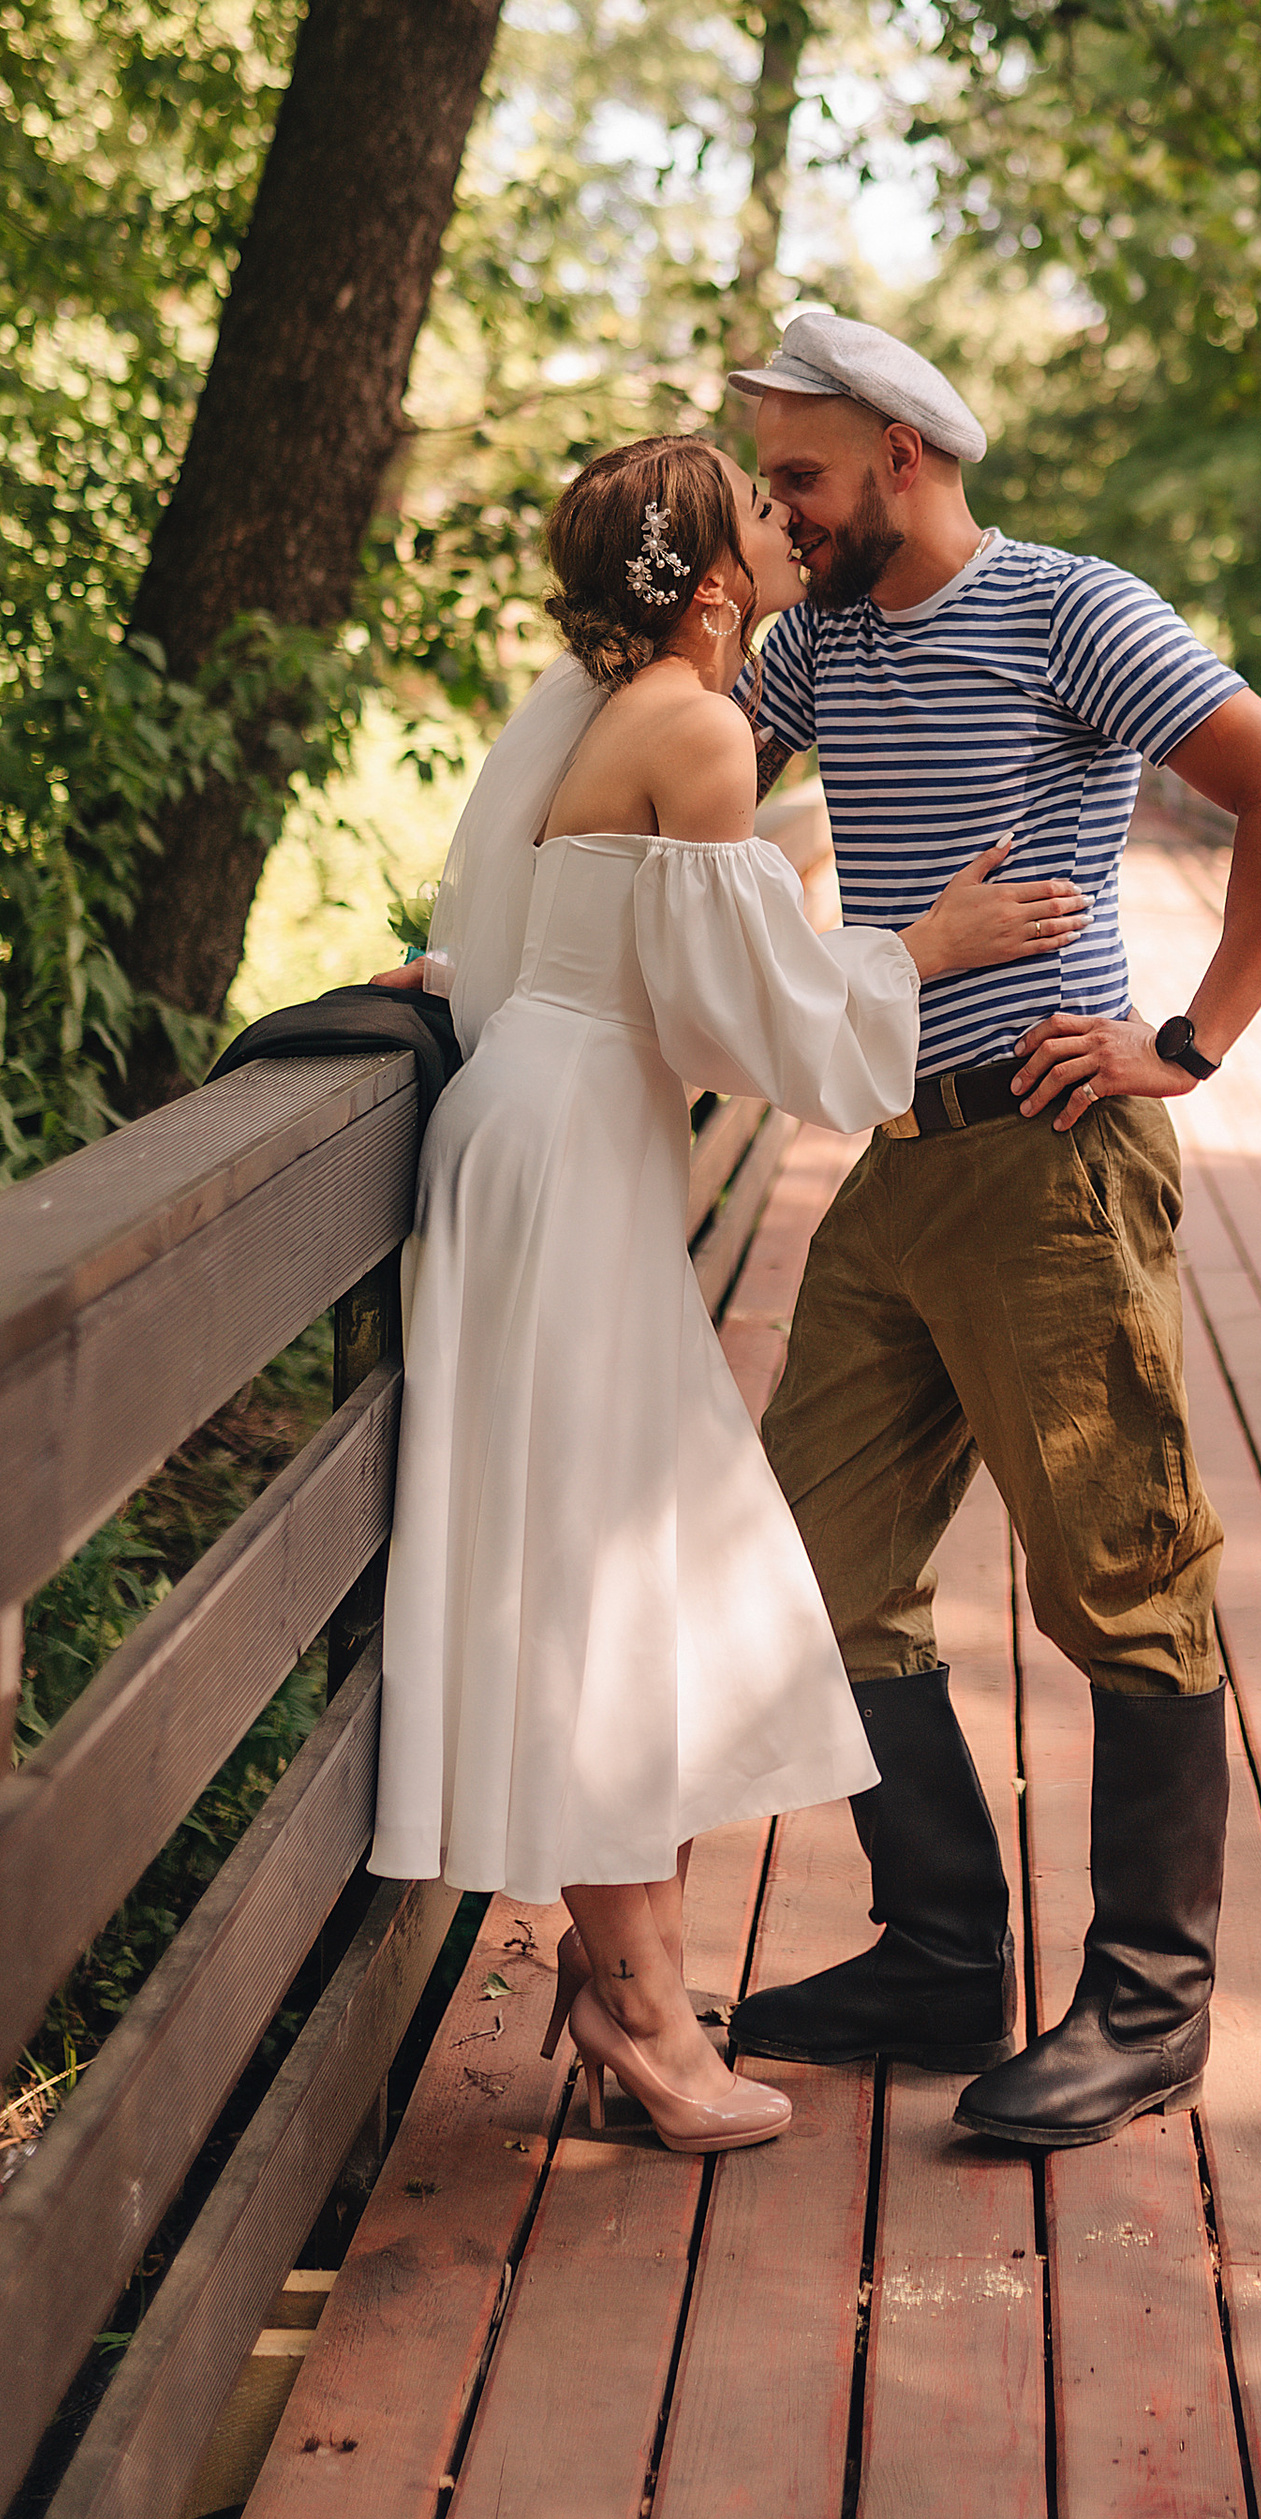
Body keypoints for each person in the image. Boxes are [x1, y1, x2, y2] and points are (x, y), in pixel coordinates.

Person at [366, 436, 1086, 2153]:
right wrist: (930, 947)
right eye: (764, 513)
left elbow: (652, 951)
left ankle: (639, 1988)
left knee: (657, 1566)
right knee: (626, 1575)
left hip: (561, 1135)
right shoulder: (691, 728)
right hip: (569, 1150)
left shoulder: (628, 716)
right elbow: (740, 1010)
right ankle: (641, 2012)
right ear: (707, 583)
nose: (788, 528)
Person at [723, 312, 1261, 2150]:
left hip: (1051, 1158)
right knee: (809, 1562)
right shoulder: (820, 640)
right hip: (895, 1162)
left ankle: (1150, 2007)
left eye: (805, 479)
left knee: (1122, 1577)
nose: (786, 515)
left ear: (904, 454)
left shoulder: (1071, 609)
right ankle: (936, 1958)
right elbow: (686, 788)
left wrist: (1186, 1043)